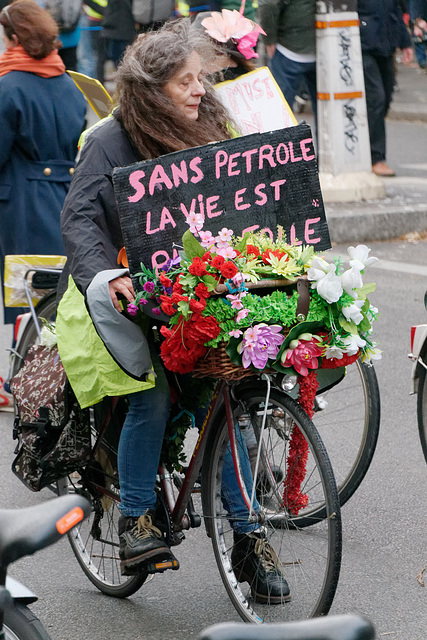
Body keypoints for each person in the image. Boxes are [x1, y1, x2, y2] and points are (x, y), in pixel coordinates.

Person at [57, 18, 290, 603]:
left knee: (227, 396)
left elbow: (247, 197)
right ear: (150, 89)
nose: (198, 91)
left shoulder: (212, 129)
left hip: (194, 291)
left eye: (201, 80)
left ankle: (248, 536)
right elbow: (80, 220)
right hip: (117, 296)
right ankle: (137, 518)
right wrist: (105, 280)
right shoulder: (108, 140)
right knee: (152, 394)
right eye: (185, 81)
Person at [0, 0, 86, 407]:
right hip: (63, 193)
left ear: (15, 38)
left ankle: (20, 379)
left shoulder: (9, 86)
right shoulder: (69, 82)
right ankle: (41, 373)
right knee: (49, 288)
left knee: (22, 290)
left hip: (20, 195)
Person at [357, 0, 414, 176]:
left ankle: (364, 145)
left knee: (386, 98)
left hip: (386, 44)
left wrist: (405, 42)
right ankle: (376, 158)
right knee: (376, 98)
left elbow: (396, 9)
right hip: (364, 44)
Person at [258, 0, 317, 122]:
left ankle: (278, 139)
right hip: (325, 43)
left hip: (288, 47)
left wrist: (269, 39)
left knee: (279, 113)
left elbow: (268, 4)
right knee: (328, 116)